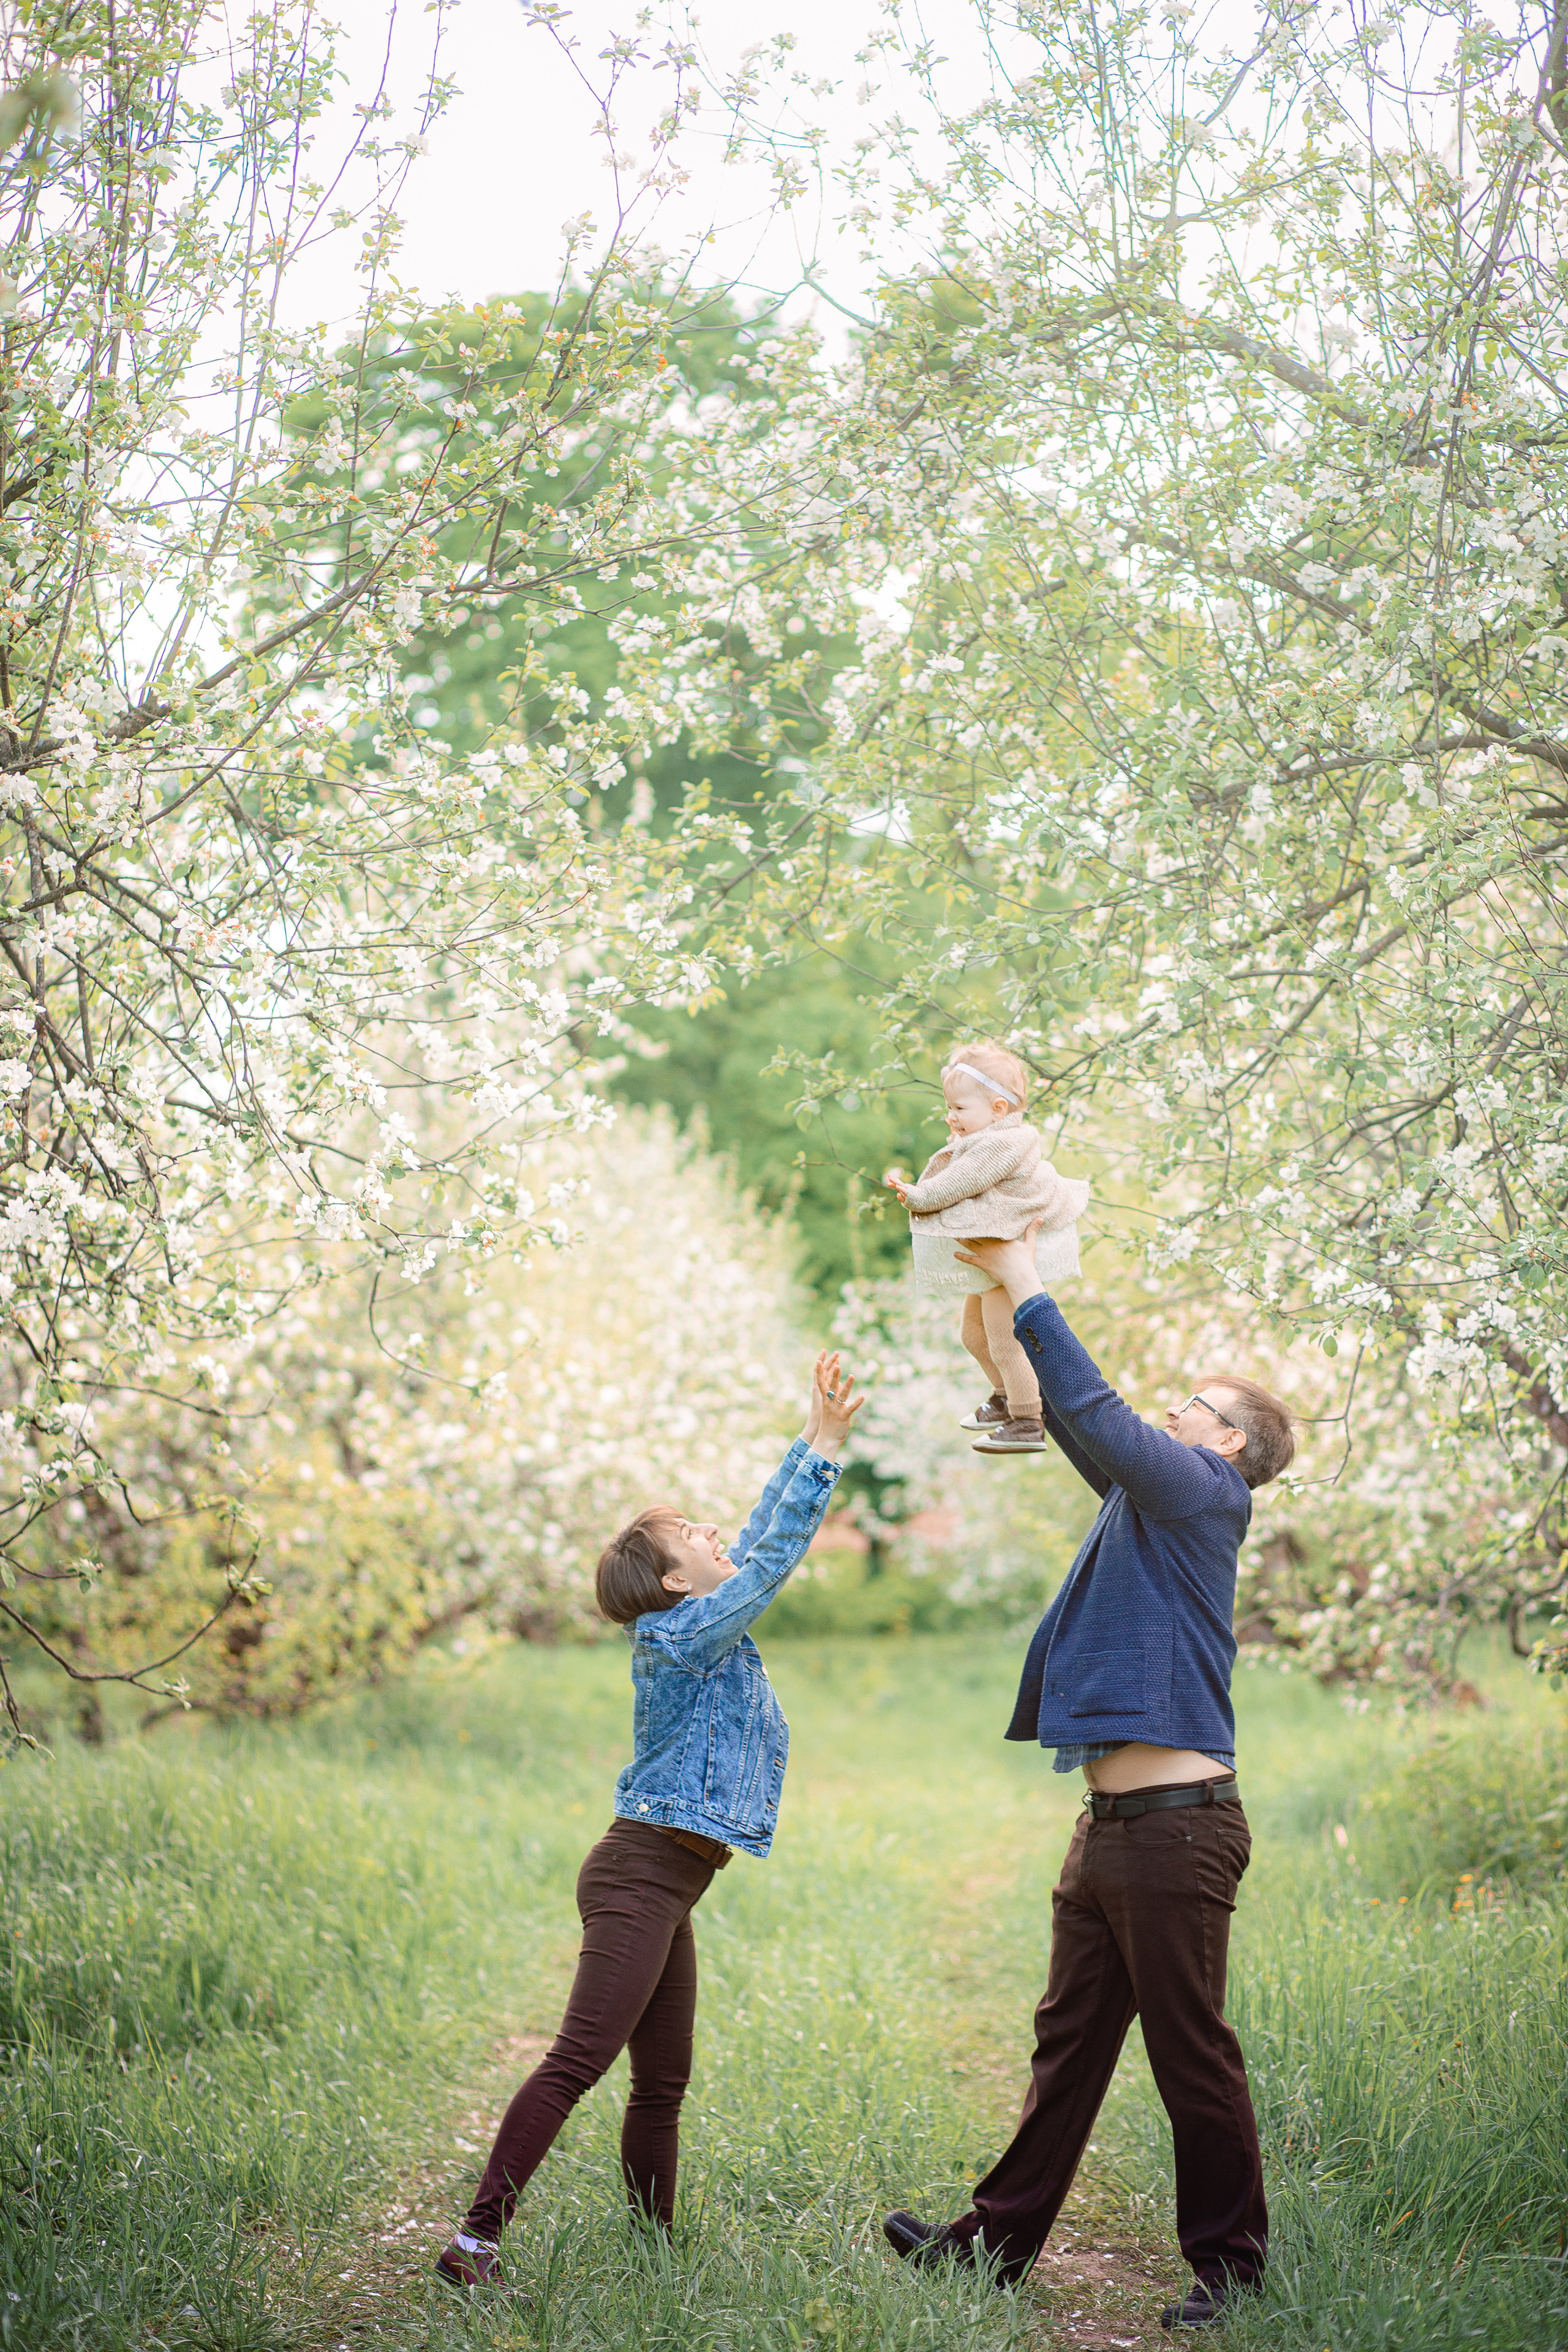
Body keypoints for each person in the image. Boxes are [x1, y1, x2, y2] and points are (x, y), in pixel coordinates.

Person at [881, 1228, 1294, 2334]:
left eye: (1196, 1406)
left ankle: (1234, 2268)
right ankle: (995, 2248)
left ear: (1233, 1443)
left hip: (1180, 1830)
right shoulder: (1147, 1502)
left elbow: (1105, 1417)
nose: (1176, 1413)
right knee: (1067, 2045)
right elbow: (1075, 1419)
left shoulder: (1208, 1495)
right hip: (1112, 1826)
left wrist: (1031, 1280)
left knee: (1189, 2053)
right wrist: (1001, 1314)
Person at [435, 1349, 864, 2292]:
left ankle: (651, 2250)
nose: (718, 1536)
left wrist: (808, 1440)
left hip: (670, 1880)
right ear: (676, 1583)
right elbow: (775, 1558)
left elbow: (754, 1540)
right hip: (640, 1875)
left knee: (662, 2082)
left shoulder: (695, 1615)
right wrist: (827, 1456)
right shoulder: (682, 1634)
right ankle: (475, 2241)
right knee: (579, 2060)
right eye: (694, 1537)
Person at [885, 1041, 1089, 1453]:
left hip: (1006, 1251)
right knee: (972, 1334)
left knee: (1003, 1340)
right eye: (950, 1107)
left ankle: (1027, 1420)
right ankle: (1004, 1395)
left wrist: (918, 1196)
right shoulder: (987, 1137)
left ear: (998, 1109)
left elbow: (963, 1181)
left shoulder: (1003, 1143)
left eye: (960, 1109)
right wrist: (961, 1130)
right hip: (993, 1248)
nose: (951, 1116)